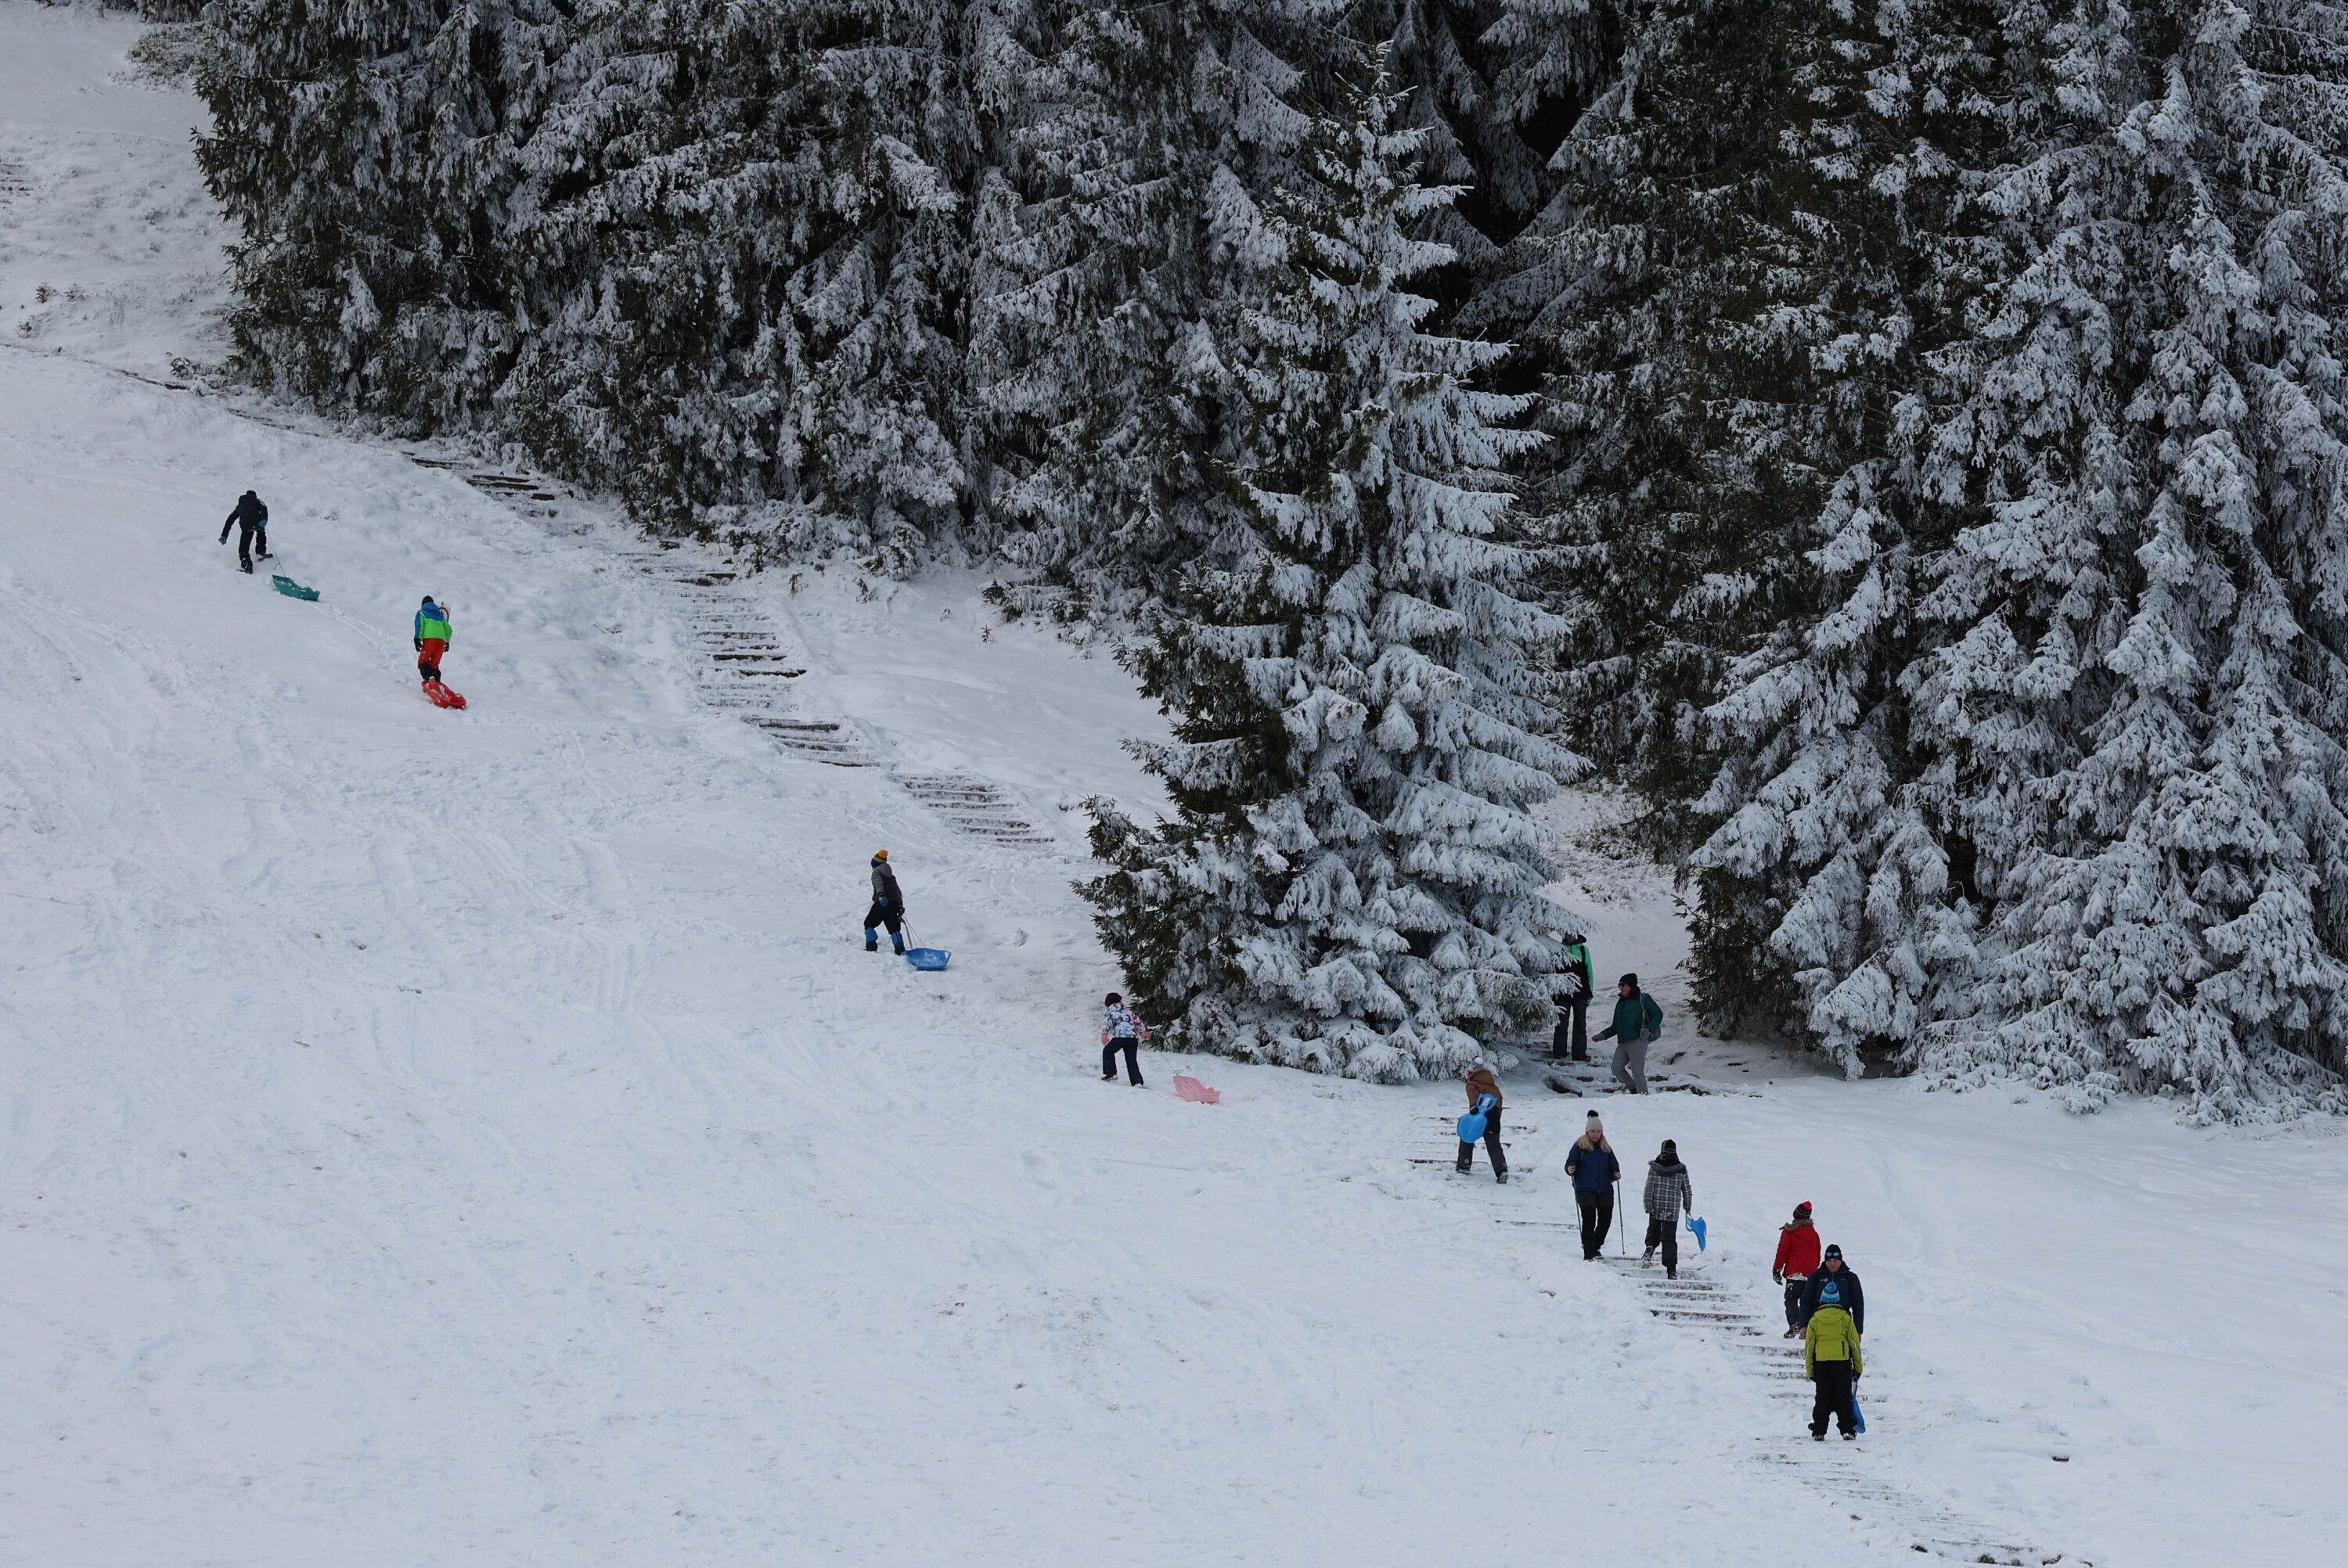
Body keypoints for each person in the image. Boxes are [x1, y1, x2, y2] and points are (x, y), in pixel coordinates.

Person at [1804, 1274, 1864, 1440]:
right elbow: (1854, 1344)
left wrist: (1810, 1370)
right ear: (1838, 1300)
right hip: (1842, 1363)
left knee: (1822, 1397)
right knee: (1843, 1397)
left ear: (1822, 1300)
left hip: (1822, 1363)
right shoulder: (1845, 1318)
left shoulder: (1814, 1320)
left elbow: (1809, 1347)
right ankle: (1847, 1429)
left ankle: (1819, 1430)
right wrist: (1858, 1368)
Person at [1593, 973, 1663, 1094]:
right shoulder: (1621, 1003)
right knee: (1616, 1068)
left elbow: (1658, 1014)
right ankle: (1633, 1088)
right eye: (1619, 985)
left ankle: (1643, 1096)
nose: (1620, 987)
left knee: (1637, 1071)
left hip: (1638, 1040)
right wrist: (1602, 1035)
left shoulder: (1644, 998)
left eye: (1623, 984)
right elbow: (1616, 1026)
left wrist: (1648, 1028)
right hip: (1623, 1041)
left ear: (1631, 985)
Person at [1563, 1110, 1619, 1259]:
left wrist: (1616, 1172)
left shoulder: (1606, 1148)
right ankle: (1588, 1249)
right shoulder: (1580, 1146)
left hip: (1605, 1188)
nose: (1596, 1134)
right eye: (1593, 1131)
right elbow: (1570, 1163)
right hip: (1585, 1188)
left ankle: (1596, 1245)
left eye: (1598, 1131)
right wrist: (1570, 1169)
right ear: (1587, 1132)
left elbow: (1614, 1164)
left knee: (1606, 1218)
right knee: (1589, 1217)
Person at [1640, 1138, 1693, 1278]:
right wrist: (1687, 1206)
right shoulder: (1681, 1169)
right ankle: (1671, 1269)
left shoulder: (1655, 1167)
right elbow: (1686, 1189)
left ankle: (1649, 1250)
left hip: (1656, 1206)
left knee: (1654, 1230)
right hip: (1672, 1209)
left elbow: (1649, 1187)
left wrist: (1648, 1205)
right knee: (1669, 1238)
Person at [1772, 1201, 1821, 1338]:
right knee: (1807, 1300)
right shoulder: (1814, 1234)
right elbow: (1818, 1254)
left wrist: (1777, 1269)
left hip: (1794, 1274)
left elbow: (1783, 1251)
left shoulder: (1790, 1231)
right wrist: (1814, 1270)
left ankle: (1795, 1323)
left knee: (1791, 1298)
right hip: (1811, 1273)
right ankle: (1808, 1325)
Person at [1456, 1059, 1507, 1183]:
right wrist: (1496, 1120)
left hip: (1479, 1114)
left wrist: (1473, 1106)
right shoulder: (1495, 1088)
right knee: (1494, 1145)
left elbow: (1473, 1095)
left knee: (1467, 1137)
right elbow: (1500, 1103)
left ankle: (1464, 1165)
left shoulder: (1473, 1084)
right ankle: (1502, 1170)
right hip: (1494, 1117)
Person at [1799, 1243, 1865, 1335]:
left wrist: (1858, 1331)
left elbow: (1858, 1305)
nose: (1832, 1263)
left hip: (1843, 1323)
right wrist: (1803, 1325)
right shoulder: (1816, 1277)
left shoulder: (1850, 1278)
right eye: (1829, 1260)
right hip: (1818, 1323)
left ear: (1841, 1260)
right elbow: (1805, 1301)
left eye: (1835, 1260)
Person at [1552, 932, 1593, 1062]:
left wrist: (1590, 994)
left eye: (1570, 934)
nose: (1567, 936)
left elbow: (1589, 972)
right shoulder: (1558, 949)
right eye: (1566, 934)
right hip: (1562, 993)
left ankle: (1580, 1053)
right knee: (1562, 1023)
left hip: (1581, 993)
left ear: (1576, 934)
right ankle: (1559, 1052)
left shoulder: (1583, 950)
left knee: (1580, 1023)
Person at [1100, 992, 1148, 1085]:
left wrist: (1104, 1035)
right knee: (1131, 1060)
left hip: (1120, 1037)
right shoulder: (1129, 1012)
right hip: (1133, 1038)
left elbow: (1107, 1023)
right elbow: (1138, 1022)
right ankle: (1137, 1081)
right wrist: (1143, 1032)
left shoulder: (1111, 1012)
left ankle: (1111, 1073)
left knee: (1108, 1051)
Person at [863, 851, 905, 954]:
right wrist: (900, 905)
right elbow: (897, 891)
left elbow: (878, 884)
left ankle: (871, 946)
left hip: (881, 903)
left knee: (869, 923)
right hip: (893, 904)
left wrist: (881, 895)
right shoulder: (891, 876)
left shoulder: (876, 873)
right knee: (894, 927)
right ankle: (900, 949)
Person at [219, 490, 270, 574]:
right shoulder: (257, 501)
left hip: (246, 526)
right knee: (261, 533)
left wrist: (224, 535)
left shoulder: (239, 506)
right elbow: (264, 507)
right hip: (257, 523)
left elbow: (230, 520)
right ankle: (261, 552)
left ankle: (246, 562)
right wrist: (264, 518)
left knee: (244, 546)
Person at [414, 595, 453, 685]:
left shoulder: (422, 613)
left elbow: (419, 626)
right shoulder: (440, 616)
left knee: (423, 661)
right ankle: (437, 683)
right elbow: (449, 630)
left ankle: (429, 679)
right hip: (441, 641)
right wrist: (447, 642)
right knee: (434, 664)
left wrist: (417, 639)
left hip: (430, 639)